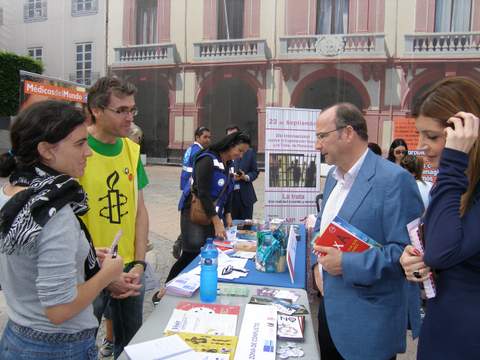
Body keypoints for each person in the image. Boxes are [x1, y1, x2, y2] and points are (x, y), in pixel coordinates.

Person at [0, 100, 124, 359]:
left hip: (16, 337)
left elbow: (24, 261)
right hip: (58, 347)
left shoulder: (9, 195)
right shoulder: (54, 212)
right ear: (46, 150)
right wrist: (107, 275)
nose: (88, 152)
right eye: (80, 143)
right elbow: (59, 309)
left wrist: (80, 254)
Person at [312, 103, 424, 360]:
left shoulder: (394, 181)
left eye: (322, 136)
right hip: (329, 312)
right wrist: (314, 267)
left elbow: (406, 254)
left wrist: (346, 263)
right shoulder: (332, 177)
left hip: (367, 324)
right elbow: (321, 227)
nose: (317, 146)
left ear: (347, 132)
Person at [399, 77, 480, 360]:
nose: (421, 146)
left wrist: (454, 162)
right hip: (441, 327)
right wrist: (413, 260)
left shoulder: (453, 178)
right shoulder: (455, 184)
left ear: (467, 133)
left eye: (432, 137)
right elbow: (435, 249)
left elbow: (442, 252)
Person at [80, 76, 150, 358]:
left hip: (130, 271)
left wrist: (140, 264)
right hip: (88, 273)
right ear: (96, 110)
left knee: (130, 347)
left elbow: (140, 210)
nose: (129, 117)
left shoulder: (132, 150)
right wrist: (103, 275)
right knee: (82, 346)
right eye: (121, 110)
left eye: (132, 110)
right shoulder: (76, 148)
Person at [165, 131, 250, 282]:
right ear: (230, 145)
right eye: (240, 150)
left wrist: (228, 214)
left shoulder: (229, 164)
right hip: (194, 212)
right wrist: (217, 222)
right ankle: (166, 287)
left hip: (211, 214)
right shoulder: (207, 160)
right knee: (191, 254)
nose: (241, 155)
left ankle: (196, 283)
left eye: (244, 152)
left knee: (206, 252)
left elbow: (229, 190)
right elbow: (202, 193)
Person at [172, 126, 211, 259]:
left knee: (191, 221)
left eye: (209, 137)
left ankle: (181, 241)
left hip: (186, 187)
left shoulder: (191, 149)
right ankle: (182, 242)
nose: (208, 140)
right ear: (197, 137)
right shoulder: (199, 152)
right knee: (195, 219)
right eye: (205, 137)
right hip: (192, 190)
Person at [226, 125, 259, 220]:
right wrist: (230, 178)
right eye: (229, 136)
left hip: (246, 197)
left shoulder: (249, 152)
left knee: (247, 228)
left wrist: (246, 177)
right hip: (229, 198)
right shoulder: (222, 152)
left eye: (234, 135)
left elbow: (255, 171)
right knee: (231, 228)